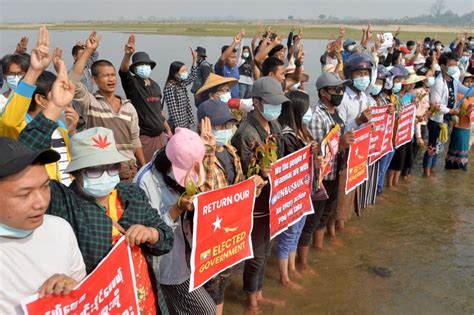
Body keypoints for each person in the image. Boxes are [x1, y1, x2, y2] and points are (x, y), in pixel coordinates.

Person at [19, 59, 174, 314]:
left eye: (111, 167)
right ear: (78, 173)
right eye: (94, 168)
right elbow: (23, 158)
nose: (105, 174)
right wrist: (54, 109)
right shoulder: (64, 203)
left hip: (144, 301)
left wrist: (152, 234)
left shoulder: (131, 195)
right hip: (101, 304)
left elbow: (165, 239)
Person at [134, 128, 216, 315]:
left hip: (191, 255)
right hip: (168, 263)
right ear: (169, 162)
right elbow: (150, 232)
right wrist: (176, 210)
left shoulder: (193, 158)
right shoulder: (144, 182)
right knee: (207, 310)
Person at [0, 137, 86, 314]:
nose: (41, 203)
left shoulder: (60, 229)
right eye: (24, 194)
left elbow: (85, 292)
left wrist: (73, 289)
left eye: (45, 187)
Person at [232, 76, 288, 314]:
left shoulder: (273, 125)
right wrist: (263, 175)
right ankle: (251, 301)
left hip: (272, 200)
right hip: (254, 203)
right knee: (255, 254)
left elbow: (283, 157)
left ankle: (260, 293)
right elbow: (242, 174)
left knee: (265, 250)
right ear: (256, 101)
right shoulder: (246, 133)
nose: (276, 107)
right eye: (270, 102)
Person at [0, 26, 78, 186]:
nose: (59, 98)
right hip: (39, 191)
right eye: (53, 94)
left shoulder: (59, 127)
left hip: (66, 195)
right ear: (40, 99)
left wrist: (72, 131)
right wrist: (33, 71)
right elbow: (8, 122)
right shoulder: (19, 128)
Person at [70, 31, 146, 182]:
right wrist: (88, 51)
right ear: (94, 79)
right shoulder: (90, 103)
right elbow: (72, 81)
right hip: (100, 173)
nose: (111, 79)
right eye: (105, 76)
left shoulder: (128, 107)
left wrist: (144, 169)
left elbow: (135, 141)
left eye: (113, 75)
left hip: (128, 172)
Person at [276, 90, 318, 291]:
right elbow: (293, 161)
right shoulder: (287, 135)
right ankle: (283, 277)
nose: (309, 111)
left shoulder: (303, 130)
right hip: (292, 193)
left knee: (298, 230)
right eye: (306, 107)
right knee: (289, 233)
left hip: (304, 189)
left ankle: (292, 268)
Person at [119, 34, 173, 163]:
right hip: (144, 138)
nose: (145, 67)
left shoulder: (155, 86)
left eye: (146, 64)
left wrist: (168, 130)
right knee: (146, 167)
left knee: (163, 167)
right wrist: (127, 55)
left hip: (160, 136)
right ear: (135, 68)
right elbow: (123, 72)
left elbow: (159, 112)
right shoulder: (133, 84)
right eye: (141, 65)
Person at [335, 52, 373, 231]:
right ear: (350, 75)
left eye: (365, 74)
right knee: (340, 192)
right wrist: (358, 121)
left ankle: (344, 223)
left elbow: (368, 120)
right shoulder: (342, 98)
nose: (363, 78)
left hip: (358, 150)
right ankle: (335, 229)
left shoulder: (363, 97)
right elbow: (338, 129)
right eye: (358, 74)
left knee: (351, 189)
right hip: (343, 151)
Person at [424, 52, 474, 177]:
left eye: (455, 65)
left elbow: (467, 92)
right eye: (451, 65)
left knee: (439, 146)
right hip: (437, 119)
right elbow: (436, 105)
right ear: (442, 66)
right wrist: (450, 110)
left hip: (447, 119)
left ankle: (432, 169)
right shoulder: (438, 83)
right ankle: (426, 171)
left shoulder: (453, 81)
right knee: (432, 145)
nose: (454, 67)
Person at [163, 48, 198, 130]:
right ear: (175, 73)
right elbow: (173, 111)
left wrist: (194, 59)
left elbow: (193, 76)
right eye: (183, 71)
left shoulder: (181, 84)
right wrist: (180, 129)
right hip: (178, 126)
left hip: (186, 123)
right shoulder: (170, 87)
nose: (185, 73)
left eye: (186, 70)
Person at [445, 73, 473, 171]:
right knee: (456, 150)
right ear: (462, 82)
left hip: (468, 128)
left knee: (464, 151)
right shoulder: (458, 95)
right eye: (467, 81)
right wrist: (466, 111)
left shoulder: (472, 96)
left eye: (471, 82)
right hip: (459, 127)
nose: (469, 84)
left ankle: (459, 169)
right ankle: (452, 168)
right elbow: (453, 112)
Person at [215, 30, 244, 98]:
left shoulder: (235, 66)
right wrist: (234, 43)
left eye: (234, 57)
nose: (234, 60)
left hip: (236, 100)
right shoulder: (220, 68)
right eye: (231, 57)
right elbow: (222, 59)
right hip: (224, 100)